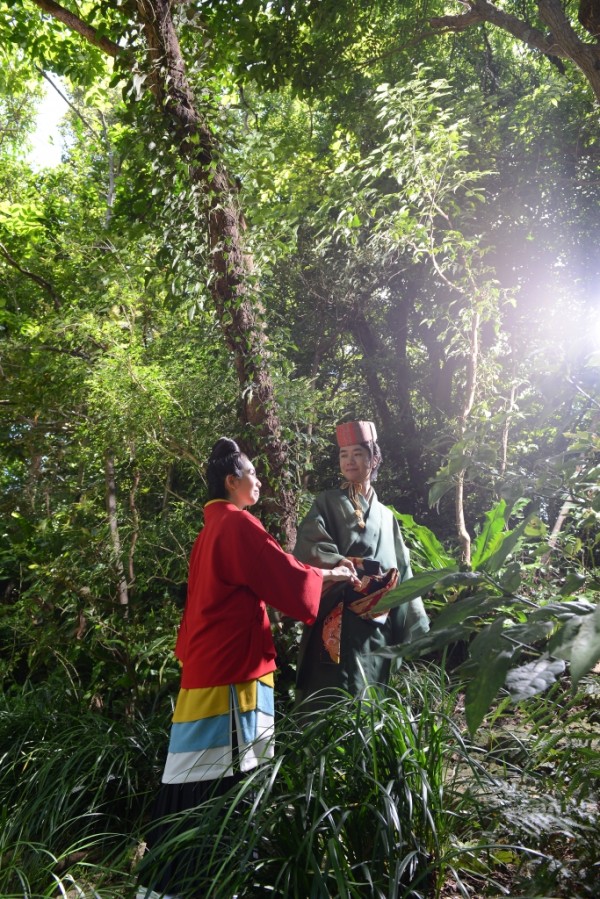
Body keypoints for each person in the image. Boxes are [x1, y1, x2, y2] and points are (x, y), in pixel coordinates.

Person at [137, 437, 357, 899]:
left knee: (191, 774)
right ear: (231, 481)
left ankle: (167, 885)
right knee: (225, 779)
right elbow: (287, 579)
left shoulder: (211, 528)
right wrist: (332, 575)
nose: (259, 480)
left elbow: (278, 568)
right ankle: (212, 884)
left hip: (208, 667)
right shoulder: (238, 525)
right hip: (233, 672)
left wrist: (327, 573)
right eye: (252, 474)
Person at [293, 420, 429, 710]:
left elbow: (402, 568)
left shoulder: (386, 515)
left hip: (377, 623)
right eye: (344, 455)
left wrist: (413, 617)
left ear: (374, 458)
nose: (350, 461)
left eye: (357, 453)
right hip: (337, 614)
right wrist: (340, 565)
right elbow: (310, 545)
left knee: (370, 696)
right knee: (331, 693)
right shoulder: (327, 502)